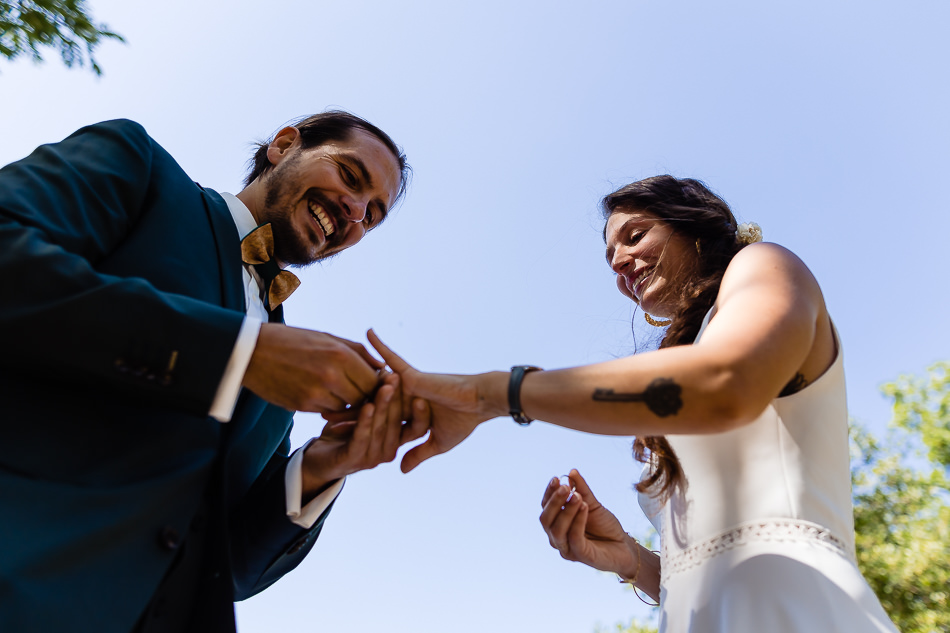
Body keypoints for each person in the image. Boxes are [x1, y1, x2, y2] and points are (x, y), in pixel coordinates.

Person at [369, 175, 899, 632]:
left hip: (795, 604)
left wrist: (493, 393)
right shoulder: (686, 355)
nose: (620, 262)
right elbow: (698, 563)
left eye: (635, 236)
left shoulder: (764, 265)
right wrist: (627, 556)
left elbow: (724, 384)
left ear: (694, 226)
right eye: (609, 258)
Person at [0, 112, 428, 633]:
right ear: (284, 145)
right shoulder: (140, 167)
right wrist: (235, 354)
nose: (355, 211)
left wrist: (323, 465)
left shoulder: (285, 387)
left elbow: (236, 568)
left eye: (373, 216)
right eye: (350, 176)